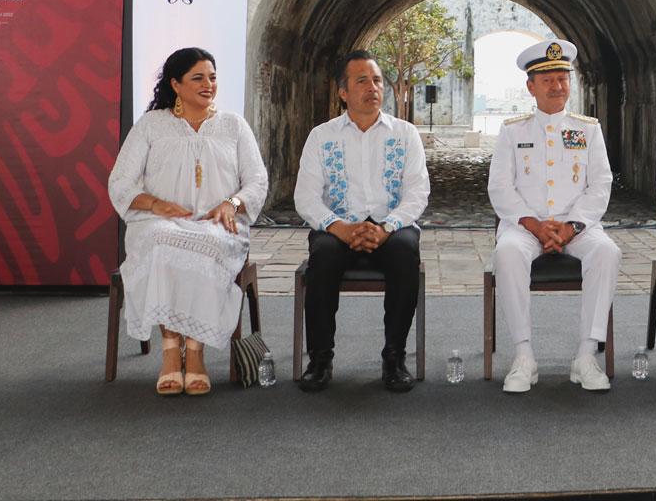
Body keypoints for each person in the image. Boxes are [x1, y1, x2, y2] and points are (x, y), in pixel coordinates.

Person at [107, 47, 268, 395]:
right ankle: (169, 352)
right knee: (162, 242)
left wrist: (232, 202)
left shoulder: (232, 125)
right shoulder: (152, 125)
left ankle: (194, 352)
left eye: (212, 77)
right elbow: (120, 182)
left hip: (217, 223)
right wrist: (155, 204)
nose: (208, 84)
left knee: (207, 244)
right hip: (157, 221)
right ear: (176, 84)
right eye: (198, 77)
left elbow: (257, 180)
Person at [488, 39, 620, 393]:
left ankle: (586, 355)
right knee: (508, 253)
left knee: (607, 251)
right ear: (531, 86)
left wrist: (572, 226)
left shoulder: (587, 129)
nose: (557, 86)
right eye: (547, 80)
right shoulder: (512, 131)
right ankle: (524, 356)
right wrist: (533, 224)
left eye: (563, 78)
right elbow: (500, 187)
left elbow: (601, 184)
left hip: (576, 225)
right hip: (525, 225)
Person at [295, 50, 431, 392]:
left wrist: (387, 228)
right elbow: (306, 197)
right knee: (323, 255)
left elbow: (417, 193)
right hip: (338, 227)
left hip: (390, 227)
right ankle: (320, 359)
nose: (372, 87)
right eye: (361, 81)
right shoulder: (322, 136)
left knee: (405, 253)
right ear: (343, 92)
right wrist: (338, 226)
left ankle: (394, 358)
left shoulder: (405, 133)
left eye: (377, 80)